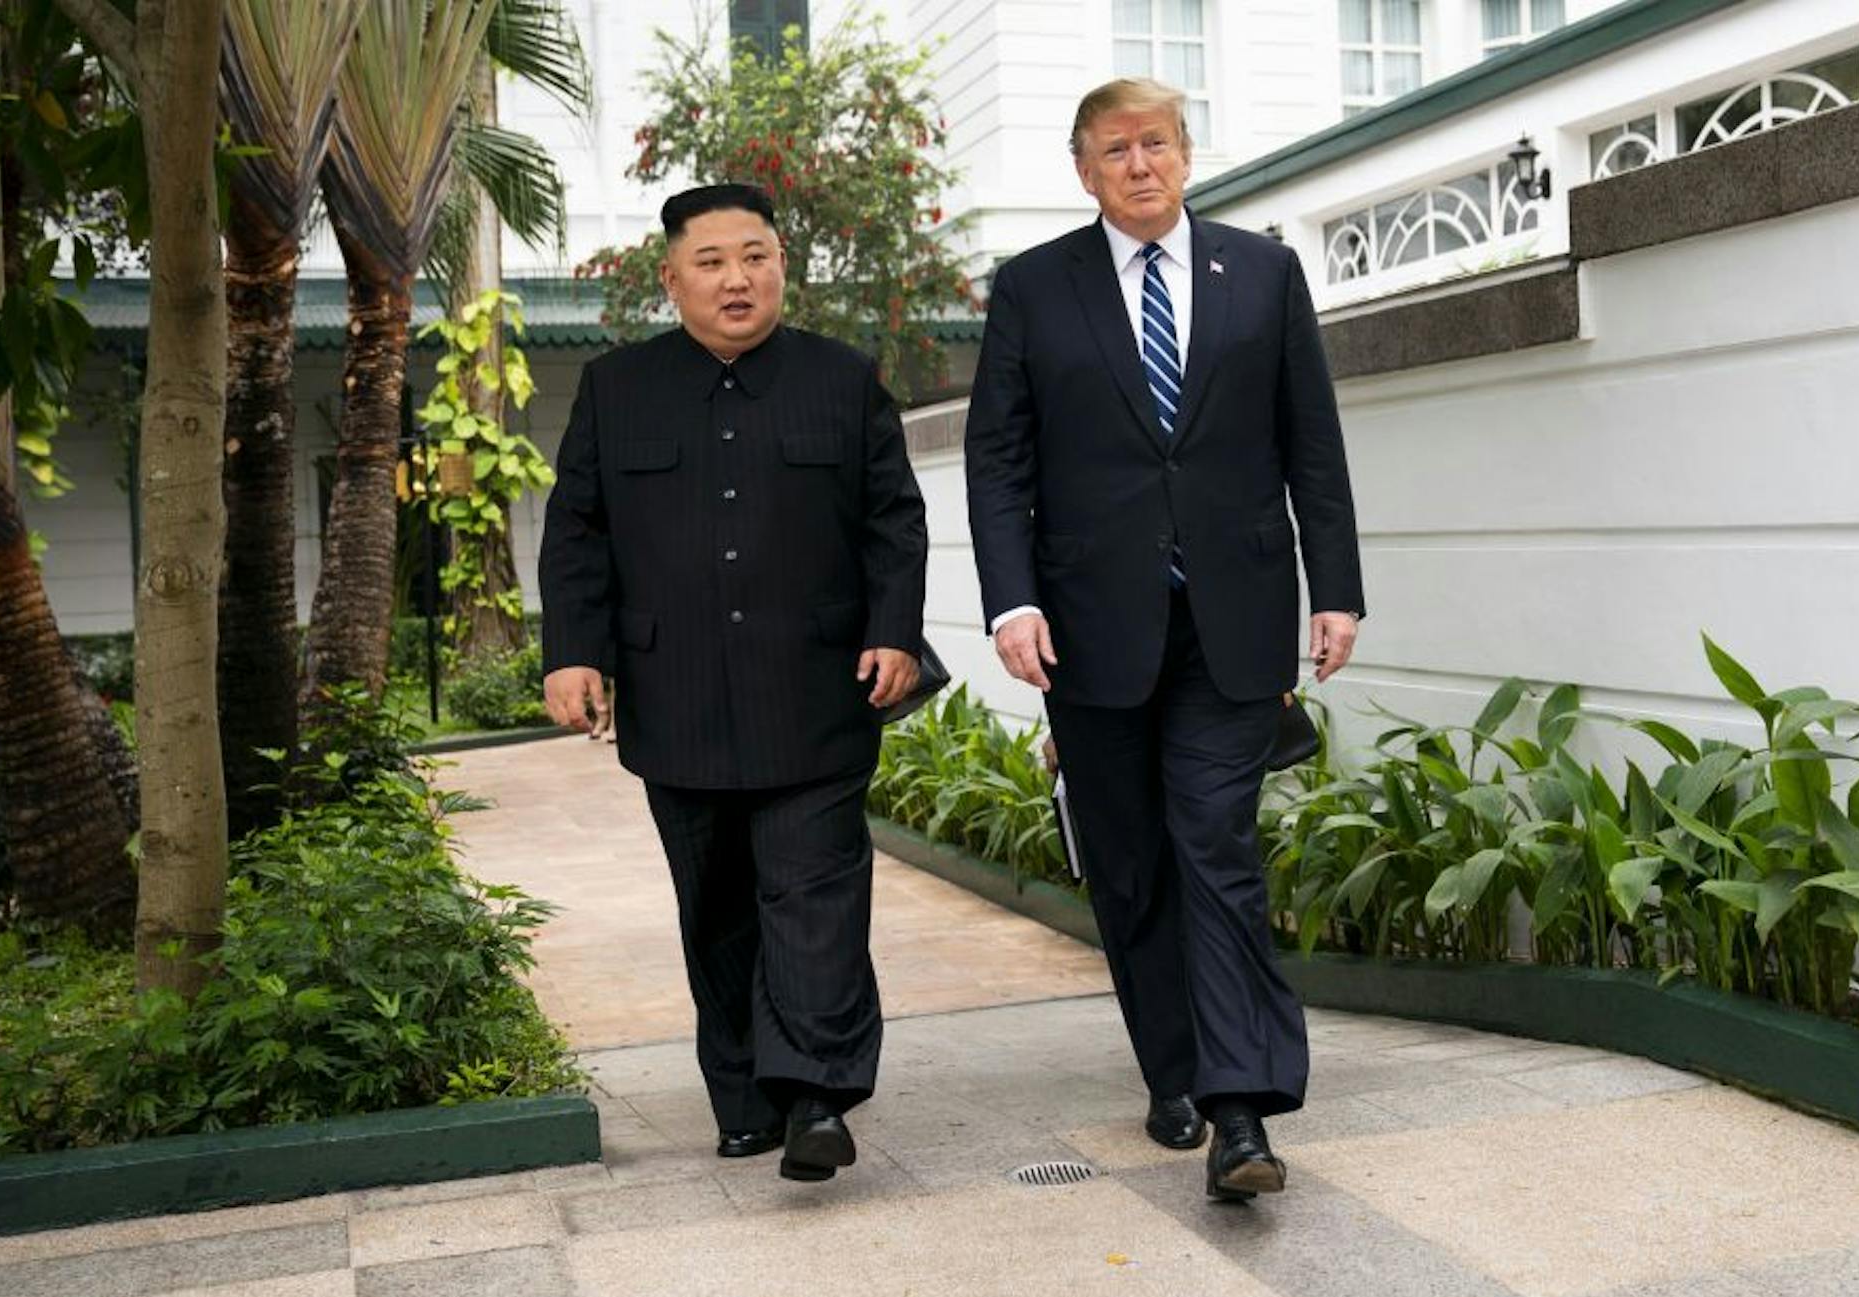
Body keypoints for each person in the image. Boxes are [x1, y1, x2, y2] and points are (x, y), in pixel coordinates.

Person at [964, 79, 1364, 1201]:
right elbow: (998, 458)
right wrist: (1012, 601)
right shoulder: (1033, 288)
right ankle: (1173, 1070)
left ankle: (1242, 1109)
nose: (1138, 165)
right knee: (1132, 863)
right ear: (1083, 172)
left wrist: (1336, 589)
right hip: (1090, 627)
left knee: (1216, 846)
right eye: (1114, 150)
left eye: (1155, 144)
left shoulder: (1265, 272)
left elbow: (1312, 442)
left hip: (1233, 619)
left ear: (1187, 153)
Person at [540, 183, 928, 1183]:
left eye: (755, 256)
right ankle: (746, 1097)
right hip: (677, 697)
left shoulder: (842, 379)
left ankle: (816, 1095)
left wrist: (894, 631)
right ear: (671, 280)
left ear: (782, 266)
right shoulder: (616, 388)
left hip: (818, 692)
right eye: (710, 262)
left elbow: (894, 519)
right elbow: (577, 531)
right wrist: (573, 651)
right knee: (715, 906)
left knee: (812, 894)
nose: (736, 278)